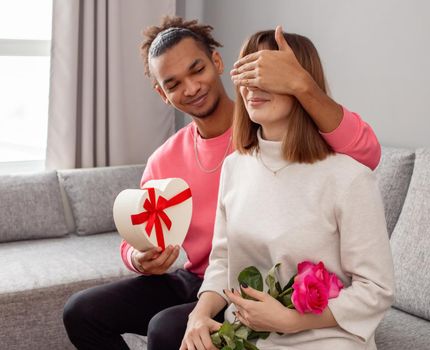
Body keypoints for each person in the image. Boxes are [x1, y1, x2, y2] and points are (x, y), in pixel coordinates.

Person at [63, 16, 382, 350]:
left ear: (217, 62)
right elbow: (138, 231)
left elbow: (364, 154)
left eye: (196, 70)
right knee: (82, 311)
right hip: (199, 277)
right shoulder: (167, 159)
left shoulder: (273, 132)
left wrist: (302, 84)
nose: (190, 88)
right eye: (173, 84)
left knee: (166, 328)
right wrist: (138, 258)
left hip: (244, 278)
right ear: (162, 93)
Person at [180, 30, 394, 350]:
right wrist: (198, 315)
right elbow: (222, 262)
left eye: (266, 73)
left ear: (299, 81)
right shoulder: (235, 167)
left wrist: (292, 320)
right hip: (247, 335)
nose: (253, 86)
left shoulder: (348, 177)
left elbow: (376, 289)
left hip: (326, 339)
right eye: (247, 73)